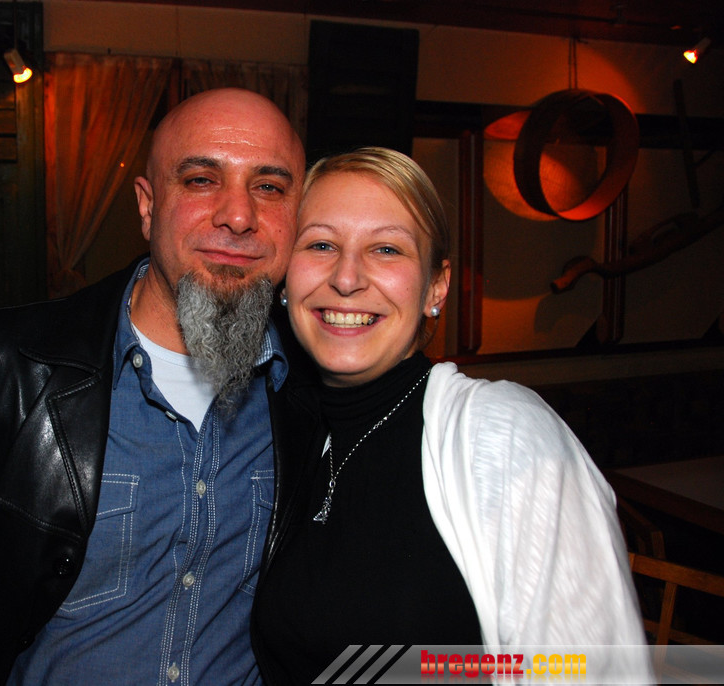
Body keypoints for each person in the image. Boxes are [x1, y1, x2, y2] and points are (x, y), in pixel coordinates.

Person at [0, 87, 306, 686]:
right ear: (147, 206)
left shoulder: (316, 394)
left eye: (269, 187)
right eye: (200, 180)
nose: (239, 216)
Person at [251, 147, 652, 684]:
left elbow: (597, 672)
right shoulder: (286, 436)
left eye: (386, 249)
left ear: (435, 287)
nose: (346, 278)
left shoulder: (502, 434)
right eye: (321, 244)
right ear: (285, 277)